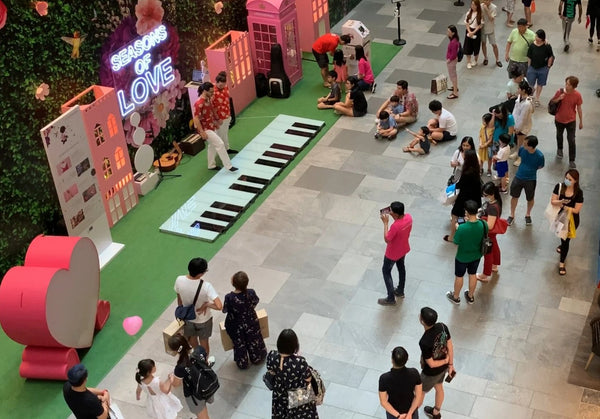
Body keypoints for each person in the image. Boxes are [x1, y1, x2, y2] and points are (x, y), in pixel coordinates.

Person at [174, 257, 222, 356]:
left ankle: (196, 357)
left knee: (192, 340)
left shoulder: (179, 280)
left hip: (188, 318)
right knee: (204, 343)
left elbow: (179, 299)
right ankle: (204, 360)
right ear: (200, 274)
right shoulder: (206, 286)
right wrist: (207, 304)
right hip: (204, 320)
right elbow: (219, 306)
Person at [266, 329, 318, 418]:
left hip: (279, 395)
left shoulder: (272, 356)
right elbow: (308, 379)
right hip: (297, 397)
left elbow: (270, 369)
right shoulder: (299, 362)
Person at [222, 271, 267, 369]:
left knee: (239, 343)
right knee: (254, 339)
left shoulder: (229, 297)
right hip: (251, 321)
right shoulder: (251, 292)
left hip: (236, 325)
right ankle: (257, 357)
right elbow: (255, 301)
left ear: (233, 283)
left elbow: (225, 310)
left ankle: (242, 362)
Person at [417, 307, 454, 419]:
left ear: (422, 321)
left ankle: (410, 415)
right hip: (443, 368)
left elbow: (431, 364)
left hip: (430, 373)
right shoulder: (442, 327)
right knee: (439, 387)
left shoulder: (424, 342)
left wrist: (445, 361)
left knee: (420, 393)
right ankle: (436, 413)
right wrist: (450, 364)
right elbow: (450, 346)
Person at [447, 200, 486, 305]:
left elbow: (456, 241)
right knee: (472, 274)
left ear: (467, 212)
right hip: (476, 255)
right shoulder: (483, 224)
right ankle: (470, 296)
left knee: (459, 276)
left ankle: (456, 297)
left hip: (462, 256)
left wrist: (457, 228)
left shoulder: (462, 228)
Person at [193, 82, 238, 172]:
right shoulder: (199, 103)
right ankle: (228, 166)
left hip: (211, 126)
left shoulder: (207, 99)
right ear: (205, 91)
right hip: (206, 129)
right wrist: (202, 132)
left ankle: (211, 165)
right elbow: (196, 118)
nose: (212, 94)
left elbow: (210, 112)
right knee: (220, 144)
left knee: (212, 146)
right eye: (211, 92)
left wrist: (215, 121)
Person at [168, 334, 214, 419]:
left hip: (194, 394)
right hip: (206, 385)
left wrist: (171, 378)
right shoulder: (199, 350)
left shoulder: (180, 367)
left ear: (175, 351)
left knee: (203, 416)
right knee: (203, 413)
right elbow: (205, 363)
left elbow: (176, 384)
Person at [378, 201, 413, 305]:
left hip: (392, 253)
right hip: (403, 249)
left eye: (391, 211)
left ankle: (390, 298)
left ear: (396, 214)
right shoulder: (409, 218)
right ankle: (400, 290)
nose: (390, 212)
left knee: (386, 271)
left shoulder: (395, 226)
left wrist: (385, 223)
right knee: (401, 268)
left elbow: (387, 239)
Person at [444, 149, 481, 243]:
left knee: (454, 215)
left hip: (464, 198)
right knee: (469, 217)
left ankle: (452, 236)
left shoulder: (466, 172)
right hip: (474, 198)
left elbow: (460, 185)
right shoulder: (476, 170)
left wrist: (452, 186)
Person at [551, 169, 584, 275]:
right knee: (562, 237)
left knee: (566, 240)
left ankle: (562, 263)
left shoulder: (578, 193)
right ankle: (562, 245)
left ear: (575, 181)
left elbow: (577, 210)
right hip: (560, 218)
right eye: (566, 178)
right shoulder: (559, 187)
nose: (567, 181)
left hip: (571, 221)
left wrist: (565, 207)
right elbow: (553, 201)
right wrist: (560, 201)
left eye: (570, 179)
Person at [507, 135, 545, 226]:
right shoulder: (522, 149)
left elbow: (541, 166)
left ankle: (528, 214)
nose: (523, 145)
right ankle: (512, 214)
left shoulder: (539, 156)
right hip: (519, 176)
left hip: (531, 179)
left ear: (531, 146)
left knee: (530, 198)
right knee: (514, 196)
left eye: (525, 144)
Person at [379, 346, 422, 419]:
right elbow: (418, 396)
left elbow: (383, 402)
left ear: (392, 360)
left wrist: (398, 415)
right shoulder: (414, 373)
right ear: (407, 359)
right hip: (411, 410)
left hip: (393, 413)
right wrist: (410, 414)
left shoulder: (384, 378)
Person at [550, 75, 583, 169]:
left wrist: (581, 121)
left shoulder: (577, 95)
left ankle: (572, 159)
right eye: (566, 83)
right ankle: (560, 149)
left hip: (571, 120)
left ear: (574, 86)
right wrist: (559, 98)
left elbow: (579, 108)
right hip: (559, 119)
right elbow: (552, 102)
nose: (566, 86)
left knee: (571, 140)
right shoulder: (559, 92)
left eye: (569, 84)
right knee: (559, 135)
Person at [477, 182, 503, 282]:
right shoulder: (496, 202)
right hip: (492, 233)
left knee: (487, 253)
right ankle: (495, 265)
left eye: (486, 195)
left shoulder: (492, 208)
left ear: (492, 194)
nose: (484, 197)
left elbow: (490, 225)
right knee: (494, 246)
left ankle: (485, 275)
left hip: (488, 232)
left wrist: (478, 220)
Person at [526, 29, 554, 107]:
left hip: (543, 68)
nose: (536, 38)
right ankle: (530, 96)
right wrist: (529, 67)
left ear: (542, 38)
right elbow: (529, 56)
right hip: (533, 68)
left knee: (540, 84)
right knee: (530, 83)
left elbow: (550, 56)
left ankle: (537, 98)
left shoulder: (547, 46)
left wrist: (548, 66)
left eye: (538, 37)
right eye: (536, 36)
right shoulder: (532, 46)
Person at [213, 71, 238, 155]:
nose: (222, 87)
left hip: (227, 114)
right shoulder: (213, 92)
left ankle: (227, 148)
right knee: (219, 136)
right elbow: (212, 107)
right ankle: (219, 152)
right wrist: (217, 118)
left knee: (225, 133)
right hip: (219, 117)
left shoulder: (225, 87)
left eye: (223, 85)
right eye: (220, 85)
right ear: (216, 82)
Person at [511, 80, 534, 166]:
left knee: (522, 143)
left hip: (523, 126)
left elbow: (523, 118)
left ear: (523, 90)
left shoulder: (527, 103)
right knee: (518, 141)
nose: (517, 90)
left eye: (519, 88)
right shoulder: (519, 97)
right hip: (516, 123)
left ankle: (520, 158)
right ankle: (517, 152)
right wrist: (513, 123)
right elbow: (515, 110)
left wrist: (518, 128)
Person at [481, 0, 502, 67]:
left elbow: (491, 19)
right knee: (483, 43)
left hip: (490, 28)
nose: (485, 1)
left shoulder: (494, 7)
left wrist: (486, 10)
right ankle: (485, 58)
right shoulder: (481, 6)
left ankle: (497, 60)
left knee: (494, 44)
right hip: (482, 28)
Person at [464, 0, 484, 69]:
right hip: (469, 30)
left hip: (476, 31)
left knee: (476, 46)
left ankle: (475, 60)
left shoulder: (480, 14)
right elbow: (466, 23)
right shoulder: (468, 13)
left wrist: (473, 32)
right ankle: (468, 62)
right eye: (472, 4)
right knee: (468, 46)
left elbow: (480, 25)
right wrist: (469, 31)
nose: (473, 6)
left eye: (474, 5)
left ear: (477, 6)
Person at [446, 25, 460, 99]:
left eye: (449, 31)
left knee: (453, 76)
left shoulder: (453, 42)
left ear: (453, 33)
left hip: (451, 61)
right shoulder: (454, 40)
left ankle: (455, 93)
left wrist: (449, 60)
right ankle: (455, 87)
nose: (447, 32)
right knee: (453, 75)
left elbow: (453, 54)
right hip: (452, 60)